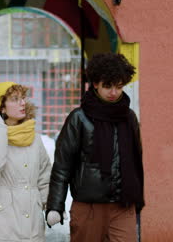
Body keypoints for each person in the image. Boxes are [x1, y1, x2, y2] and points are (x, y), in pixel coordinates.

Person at [46, 53, 144, 241]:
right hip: (88, 206)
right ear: (96, 83)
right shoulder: (79, 118)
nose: (114, 92)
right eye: (108, 86)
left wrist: (138, 200)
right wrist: (55, 205)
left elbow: (136, 161)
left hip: (123, 205)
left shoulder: (129, 117)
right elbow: (62, 165)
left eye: (119, 86)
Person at [0, 81, 52, 242]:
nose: (23, 103)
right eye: (15, 99)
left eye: (23, 98)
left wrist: (52, 207)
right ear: (0, 107)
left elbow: (44, 178)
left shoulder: (34, 139)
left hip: (32, 228)